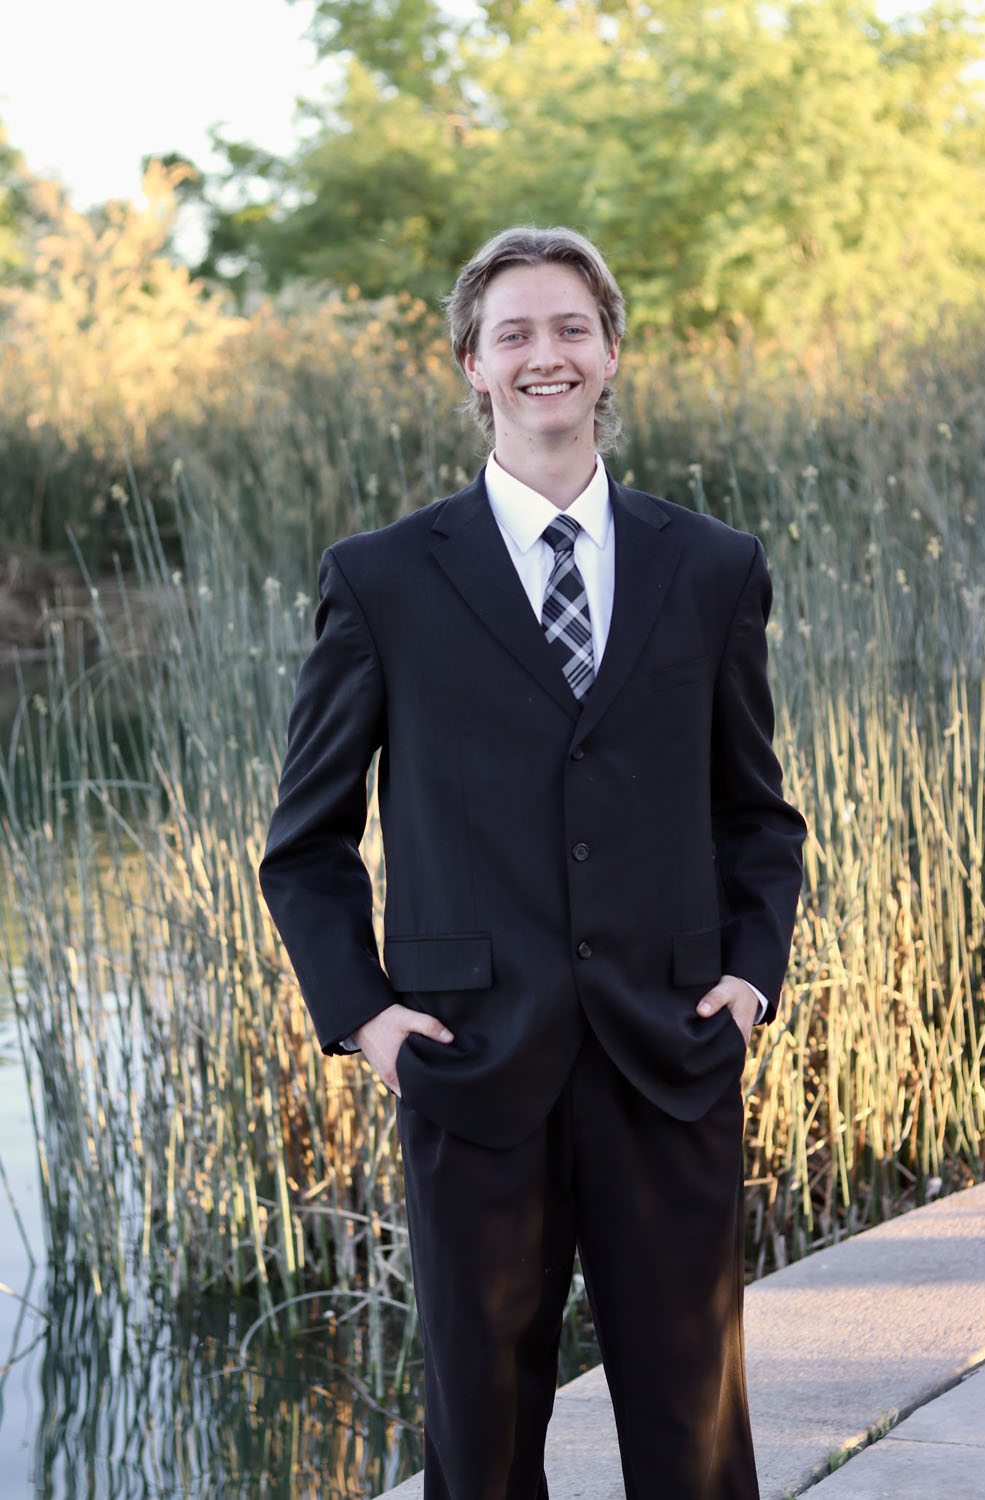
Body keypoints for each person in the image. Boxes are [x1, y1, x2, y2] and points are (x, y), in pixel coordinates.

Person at [259, 226, 806, 1500]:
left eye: (570, 328)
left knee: (695, 1436)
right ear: (472, 364)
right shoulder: (383, 579)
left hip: (669, 1054)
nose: (544, 354)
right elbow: (306, 844)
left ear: (610, 353)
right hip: (468, 1062)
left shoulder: (712, 566)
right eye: (514, 333)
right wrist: (370, 1022)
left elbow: (758, 817)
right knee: (483, 1443)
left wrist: (749, 978)